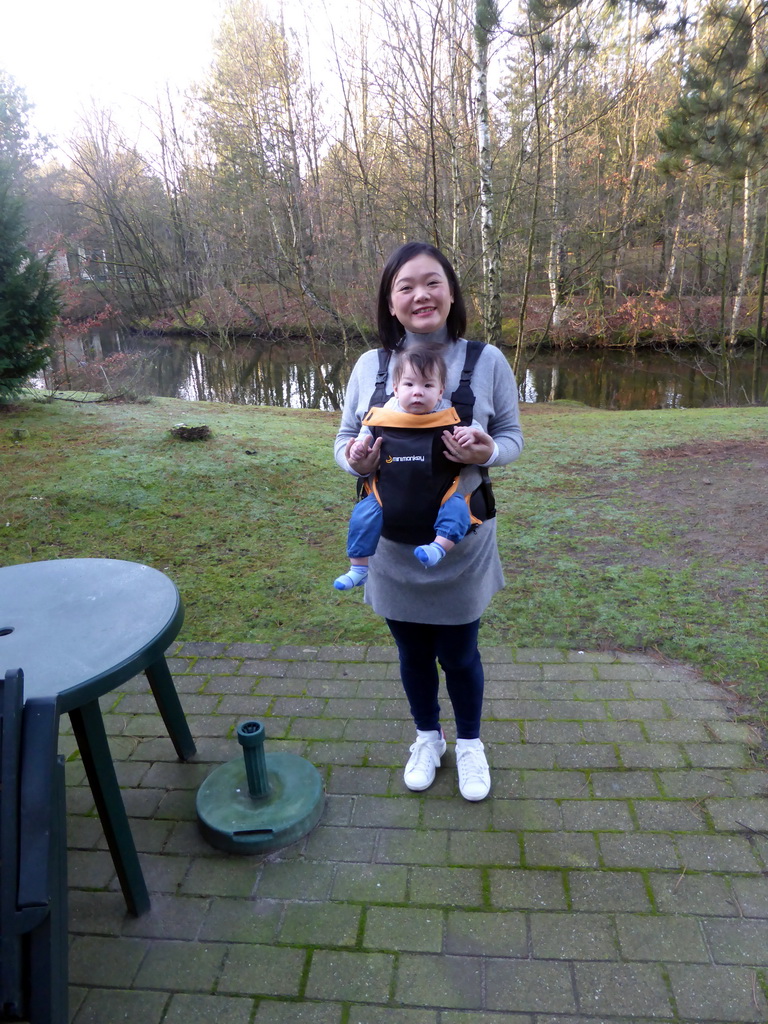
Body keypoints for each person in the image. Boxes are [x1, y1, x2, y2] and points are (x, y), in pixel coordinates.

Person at [334, 241, 524, 801]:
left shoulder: (487, 361)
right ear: (390, 302)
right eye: (406, 286)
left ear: (451, 291)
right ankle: (428, 738)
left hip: (461, 549)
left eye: (432, 282)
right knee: (411, 653)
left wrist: (486, 453)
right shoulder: (370, 365)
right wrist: (353, 459)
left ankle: (469, 744)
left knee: (460, 654)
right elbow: (344, 440)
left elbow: (512, 438)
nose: (421, 295)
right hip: (391, 552)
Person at [333, 344, 483, 591]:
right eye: (409, 384)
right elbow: (361, 438)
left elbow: (475, 430)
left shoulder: (451, 414)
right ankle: (358, 568)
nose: (417, 393)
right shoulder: (381, 415)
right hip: (387, 494)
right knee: (362, 514)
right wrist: (358, 451)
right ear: (395, 388)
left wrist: (471, 435)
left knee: (458, 510)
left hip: (440, 493)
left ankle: (438, 548)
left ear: (440, 390)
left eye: (427, 386)